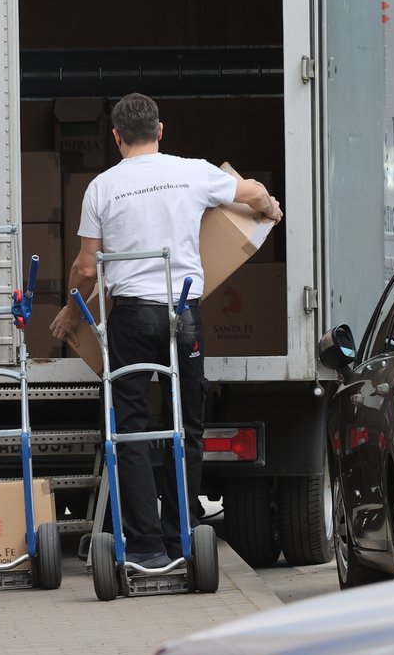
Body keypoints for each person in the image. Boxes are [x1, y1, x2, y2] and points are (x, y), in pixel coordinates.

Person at [49, 92, 283, 568]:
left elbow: (87, 267)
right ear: (161, 130)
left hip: (131, 318)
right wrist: (271, 210)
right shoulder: (193, 171)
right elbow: (253, 192)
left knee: (130, 430)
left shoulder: (102, 187)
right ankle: (182, 540)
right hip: (184, 316)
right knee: (185, 427)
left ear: (115, 137)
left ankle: (145, 548)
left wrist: (72, 315)